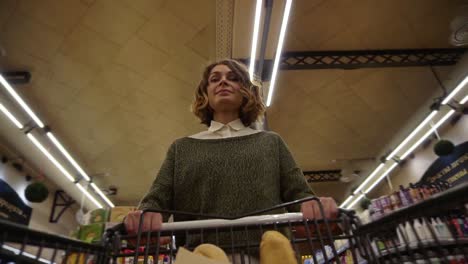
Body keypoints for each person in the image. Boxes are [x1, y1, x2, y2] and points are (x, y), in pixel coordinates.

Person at [124, 59, 338, 256]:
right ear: (205, 94)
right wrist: (146, 215)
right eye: (214, 79)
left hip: (265, 257)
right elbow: (157, 198)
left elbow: (298, 194)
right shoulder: (182, 148)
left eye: (233, 78)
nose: (223, 82)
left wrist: (314, 206)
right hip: (202, 258)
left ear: (246, 91)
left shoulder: (270, 143)